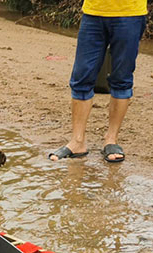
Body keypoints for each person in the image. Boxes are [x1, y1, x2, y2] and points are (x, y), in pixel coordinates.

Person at [48, 0, 147, 163]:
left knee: (122, 79)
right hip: (93, 12)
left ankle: (111, 139)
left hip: (130, 13)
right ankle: (77, 141)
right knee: (81, 77)